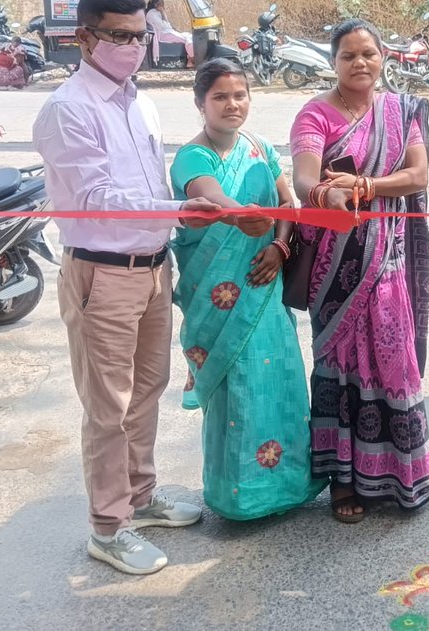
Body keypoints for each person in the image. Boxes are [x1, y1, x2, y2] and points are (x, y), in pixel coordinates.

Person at [31, 0, 222, 575]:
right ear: (84, 37)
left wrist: (184, 209)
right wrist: (179, 210)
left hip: (152, 268)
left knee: (146, 391)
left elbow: (154, 185)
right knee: (107, 406)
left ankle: (141, 495)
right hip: (103, 274)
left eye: (140, 35)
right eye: (118, 36)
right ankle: (108, 527)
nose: (133, 47)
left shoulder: (139, 103)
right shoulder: (69, 110)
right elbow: (95, 200)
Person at [290, 19, 429, 523]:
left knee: (393, 364)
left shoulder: (401, 110)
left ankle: (403, 474)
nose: (360, 63)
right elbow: (305, 175)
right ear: (332, 62)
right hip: (336, 271)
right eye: (348, 55)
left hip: (388, 262)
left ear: (383, 58)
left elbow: (417, 175)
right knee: (342, 369)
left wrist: (365, 186)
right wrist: (327, 193)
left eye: (369, 54)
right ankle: (343, 481)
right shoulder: (314, 114)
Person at [170, 58, 326, 521]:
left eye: (239, 95)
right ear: (200, 103)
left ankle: (289, 486)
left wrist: (280, 244)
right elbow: (211, 195)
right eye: (220, 96)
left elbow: (285, 202)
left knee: (279, 383)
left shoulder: (259, 146)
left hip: (264, 287)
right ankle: (241, 496)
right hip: (218, 300)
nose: (232, 104)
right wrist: (240, 214)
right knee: (237, 390)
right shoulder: (192, 156)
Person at [146, 0, 194, 66]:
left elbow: (167, 23)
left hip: (168, 31)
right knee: (185, 39)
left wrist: (162, 12)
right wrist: (162, 14)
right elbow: (163, 26)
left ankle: (190, 59)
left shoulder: (160, 12)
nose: (163, 5)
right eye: (161, 3)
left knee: (189, 36)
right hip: (162, 34)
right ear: (156, 4)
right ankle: (192, 59)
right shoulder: (151, 14)